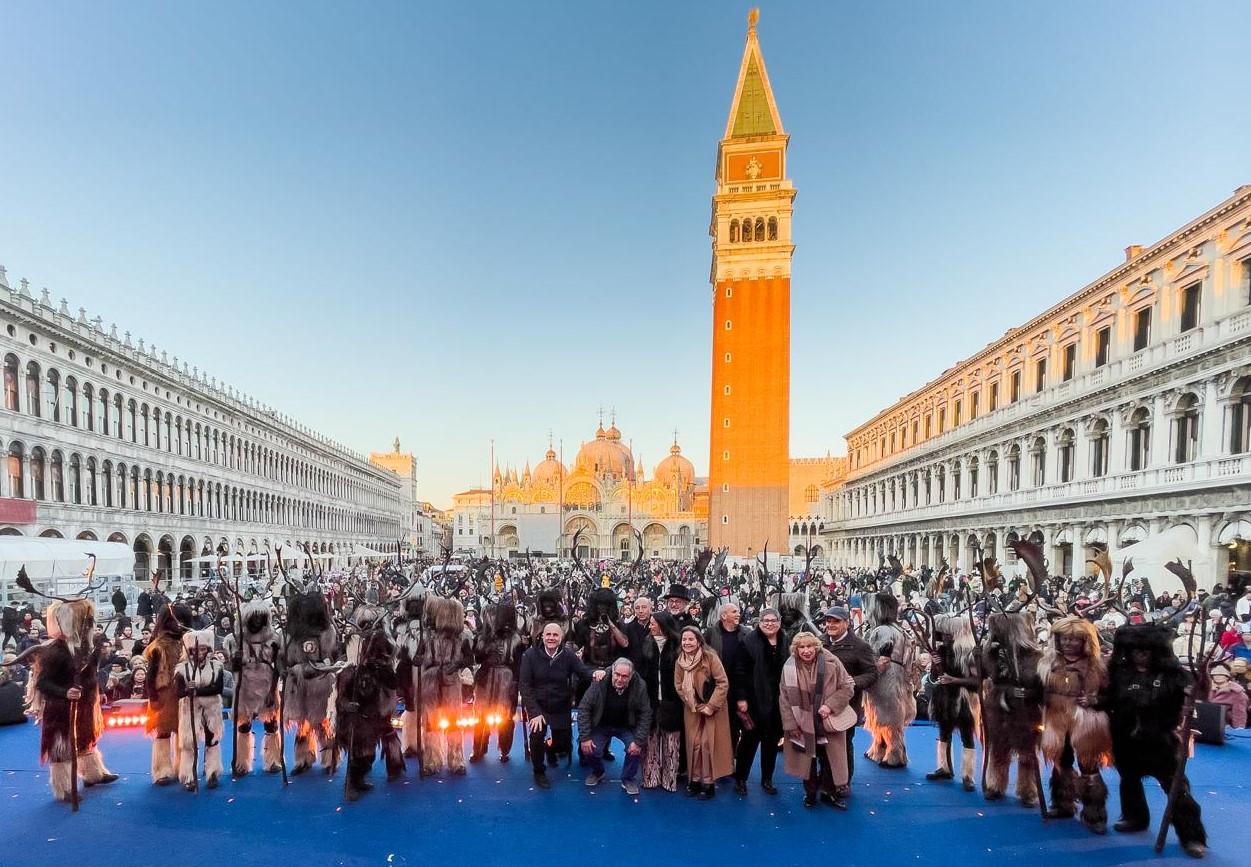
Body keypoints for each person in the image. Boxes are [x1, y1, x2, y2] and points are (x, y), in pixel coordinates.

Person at [1104, 624, 1206, 858]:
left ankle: (1191, 835)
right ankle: (1134, 817)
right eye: (1135, 650)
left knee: (1176, 787)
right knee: (1128, 780)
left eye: (1146, 650)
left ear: (1156, 651)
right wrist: (1095, 700)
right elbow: (1109, 700)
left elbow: (1196, 691)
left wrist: (1192, 694)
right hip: (1125, 739)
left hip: (1159, 741)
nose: (1140, 654)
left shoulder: (1172, 676)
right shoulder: (1119, 673)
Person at [19, 597, 118, 801]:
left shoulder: (88, 647)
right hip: (62, 708)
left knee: (86, 738)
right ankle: (63, 788)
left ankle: (93, 774)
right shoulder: (55, 651)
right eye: (84, 621)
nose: (88, 626)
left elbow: (91, 674)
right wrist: (65, 693)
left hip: (86, 704)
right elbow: (43, 683)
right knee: (62, 746)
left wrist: (96, 691)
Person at [1041, 615, 1112, 834]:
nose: (1069, 643)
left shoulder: (1098, 666)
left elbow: (1112, 695)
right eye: (1065, 639)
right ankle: (1063, 804)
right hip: (1055, 719)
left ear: (1085, 642)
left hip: (1087, 721)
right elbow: (1037, 690)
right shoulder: (1046, 663)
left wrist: (1096, 700)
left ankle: (1094, 813)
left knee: (1089, 766)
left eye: (1075, 639)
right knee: (1061, 762)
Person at [518, 622, 603, 789]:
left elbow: (582, 672)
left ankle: (551, 750)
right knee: (536, 736)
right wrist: (534, 712)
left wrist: (596, 673)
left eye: (555, 635)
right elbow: (525, 686)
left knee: (562, 743)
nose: (551, 638)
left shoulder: (568, 655)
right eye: (548, 634)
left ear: (561, 637)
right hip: (539, 705)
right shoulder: (530, 655)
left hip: (561, 704)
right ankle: (539, 771)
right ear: (542, 636)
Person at [780, 632, 855, 809]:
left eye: (809, 646)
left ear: (817, 647)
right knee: (808, 759)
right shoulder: (789, 667)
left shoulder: (832, 661)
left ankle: (830, 793)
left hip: (828, 719)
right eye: (801, 647)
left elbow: (847, 686)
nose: (806, 651)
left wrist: (830, 705)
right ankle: (811, 793)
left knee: (830, 759)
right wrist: (791, 725)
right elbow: (784, 698)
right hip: (802, 721)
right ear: (796, 649)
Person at [981, 610, 1044, 805]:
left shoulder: (1035, 655)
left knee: (1027, 751)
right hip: (998, 706)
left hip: (1025, 710)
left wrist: (1030, 694)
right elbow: (987, 673)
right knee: (999, 747)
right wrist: (982, 654)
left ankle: (1028, 789)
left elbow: (1042, 686)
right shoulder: (992, 653)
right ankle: (996, 784)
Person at [732, 607, 789, 796]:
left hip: (777, 701)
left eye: (773, 621)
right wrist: (741, 698)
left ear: (779, 622)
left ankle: (767, 779)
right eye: (766, 621)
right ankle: (740, 778)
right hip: (754, 699)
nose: (770, 624)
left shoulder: (785, 640)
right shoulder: (749, 641)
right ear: (760, 622)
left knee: (771, 742)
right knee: (748, 741)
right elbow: (739, 671)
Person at [576, 657, 652, 795]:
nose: (619, 679)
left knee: (636, 749)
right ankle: (598, 771)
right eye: (617, 674)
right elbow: (584, 708)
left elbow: (645, 713)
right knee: (589, 749)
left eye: (624, 676)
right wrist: (584, 737)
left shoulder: (640, 686)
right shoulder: (599, 682)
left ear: (631, 676)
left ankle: (628, 778)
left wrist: (638, 741)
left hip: (626, 725)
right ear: (612, 672)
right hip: (602, 724)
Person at [820, 605, 877, 783]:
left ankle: (843, 782)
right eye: (828, 621)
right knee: (822, 744)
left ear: (847, 623)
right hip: (820, 705)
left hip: (846, 706)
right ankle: (825, 780)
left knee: (843, 744)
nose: (830, 625)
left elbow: (872, 673)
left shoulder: (860, 647)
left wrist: (855, 682)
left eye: (835, 621)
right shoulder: (818, 642)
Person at [924, 614, 981, 791]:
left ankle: (968, 775)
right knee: (943, 732)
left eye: (950, 633)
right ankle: (944, 768)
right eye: (945, 633)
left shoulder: (970, 653)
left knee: (966, 735)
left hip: (963, 700)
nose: (946, 636)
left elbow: (977, 681)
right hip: (943, 697)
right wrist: (935, 664)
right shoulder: (942, 650)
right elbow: (935, 676)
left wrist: (954, 680)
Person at [674, 626, 732, 800]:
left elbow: (722, 683)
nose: (687, 643)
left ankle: (709, 782)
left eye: (691, 639)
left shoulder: (710, 658)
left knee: (708, 744)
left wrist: (710, 706)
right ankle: (695, 779)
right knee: (695, 744)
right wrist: (692, 703)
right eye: (684, 639)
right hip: (692, 708)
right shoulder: (680, 661)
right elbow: (678, 685)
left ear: (699, 641)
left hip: (713, 709)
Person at [862, 591, 917, 768]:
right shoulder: (898, 629)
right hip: (899, 674)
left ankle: (894, 754)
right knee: (889, 714)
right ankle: (879, 747)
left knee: (886, 715)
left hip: (885, 676)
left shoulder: (881, 631)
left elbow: (873, 655)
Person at [174, 628, 225, 791]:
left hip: (212, 708)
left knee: (212, 739)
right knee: (189, 742)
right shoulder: (182, 669)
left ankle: (212, 773)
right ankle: (188, 775)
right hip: (189, 709)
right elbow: (178, 693)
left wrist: (197, 691)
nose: (199, 653)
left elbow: (217, 688)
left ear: (208, 649)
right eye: (196, 649)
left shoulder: (217, 666)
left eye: (203, 649)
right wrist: (188, 691)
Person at [641, 611, 684, 791]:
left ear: (662, 625)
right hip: (651, 701)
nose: (649, 626)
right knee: (650, 740)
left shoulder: (678, 646)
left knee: (671, 742)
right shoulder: (647, 643)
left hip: (672, 702)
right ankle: (650, 778)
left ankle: (670, 780)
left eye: (653, 623)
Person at [1208, 661, 1248, 729]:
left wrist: (1238, 730)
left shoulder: (1237, 693)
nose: (1218, 677)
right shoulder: (1209, 689)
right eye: (1215, 675)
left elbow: (1239, 714)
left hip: (1226, 727)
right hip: (1208, 723)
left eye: (1221, 674)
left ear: (1227, 677)